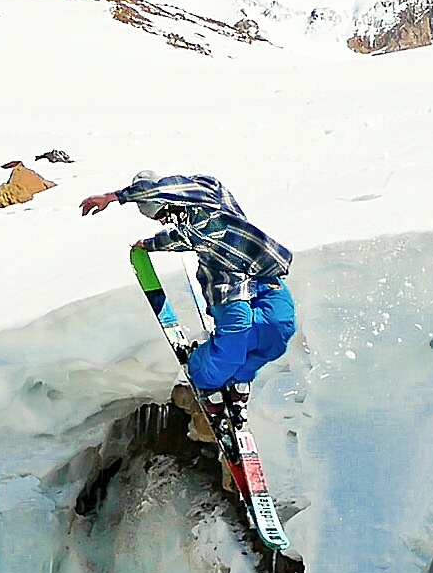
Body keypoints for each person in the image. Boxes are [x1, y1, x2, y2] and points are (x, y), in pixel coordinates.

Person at [80, 171, 296, 424]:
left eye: (160, 215)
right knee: (237, 336)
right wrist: (148, 245)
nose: (162, 222)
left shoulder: (203, 191)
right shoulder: (189, 223)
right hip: (225, 284)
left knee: (279, 330)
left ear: (168, 201)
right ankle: (204, 376)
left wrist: (113, 197)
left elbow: (160, 189)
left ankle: (239, 380)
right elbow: (182, 238)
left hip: (263, 274)